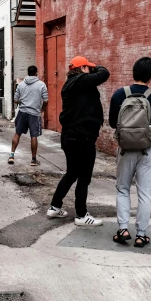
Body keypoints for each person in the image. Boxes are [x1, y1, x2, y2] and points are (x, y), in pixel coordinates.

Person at [108, 57, 151, 247]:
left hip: (125, 149)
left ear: (133, 72)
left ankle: (123, 229)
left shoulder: (119, 95)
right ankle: (141, 234)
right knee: (145, 193)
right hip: (147, 150)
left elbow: (112, 123)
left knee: (123, 189)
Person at [46, 56, 110, 226]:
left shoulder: (71, 83)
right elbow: (104, 74)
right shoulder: (80, 80)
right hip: (82, 137)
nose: (90, 70)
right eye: (87, 68)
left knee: (71, 173)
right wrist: (97, 66)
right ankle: (81, 216)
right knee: (84, 177)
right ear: (82, 69)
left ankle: (55, 206)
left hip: (70, 136)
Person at [9, 65, 48, 166]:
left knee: (17, 133)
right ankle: (33, 160)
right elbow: (46, 100)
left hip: (22, 112)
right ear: (36, 73)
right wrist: (42, 109)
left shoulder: (21, 84)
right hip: (34, 113)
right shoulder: (41, 84)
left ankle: (11, 156)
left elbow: (16, 99)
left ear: (28, 72)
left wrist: (22, 102)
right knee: (34, 136)